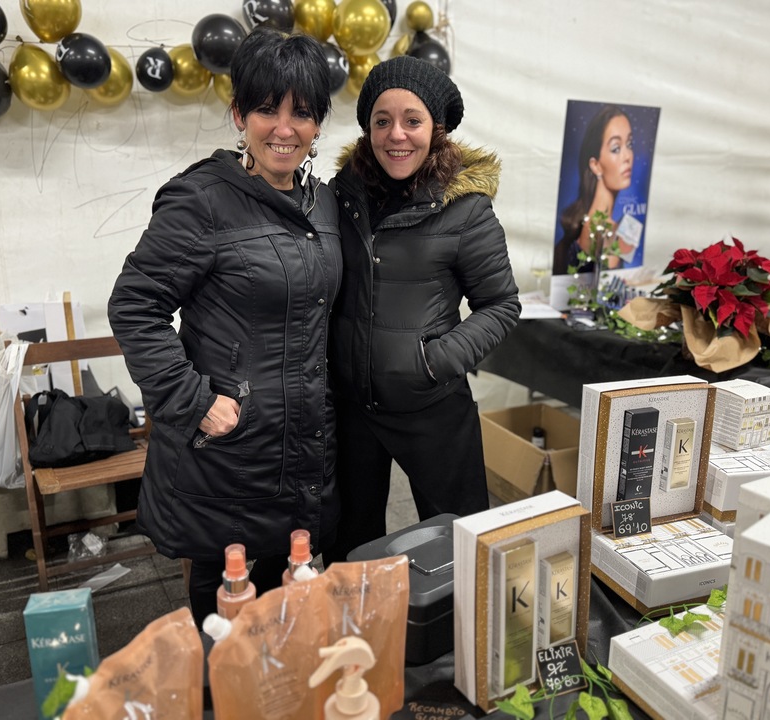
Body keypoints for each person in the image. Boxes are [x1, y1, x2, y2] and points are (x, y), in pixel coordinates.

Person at [107, 29, 340, 628]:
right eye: (267, 109)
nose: (284, 128)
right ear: (239, 115)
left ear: (318, 124)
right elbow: (135, 305)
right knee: (226, 611)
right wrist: (194, 402)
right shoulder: (202, 201)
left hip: (301, 446)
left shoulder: (323, 204)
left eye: (302, 113)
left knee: (289, 602)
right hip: (229, 448)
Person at [325, 56, 520, 562]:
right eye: (382, 120)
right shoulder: (341, 196)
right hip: (353, 408)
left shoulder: (466, 209)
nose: (397, 135)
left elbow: (500, 304)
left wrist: (433, 361)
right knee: (350, 548)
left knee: (459, 548)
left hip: (432, 406)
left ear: (437, 128)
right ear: (367, 128)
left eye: (412, 120)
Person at [554, 104, 635, 275]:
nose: (627, 156)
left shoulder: (620, 226)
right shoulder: (594, 227)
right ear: (595, 165)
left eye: (629, 144)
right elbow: (601, 285)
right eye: (616, 148)